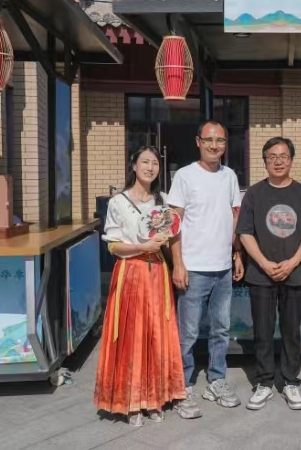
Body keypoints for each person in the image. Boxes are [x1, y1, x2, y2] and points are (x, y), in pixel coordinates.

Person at [94, 146, 185, 426]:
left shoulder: (164, 200)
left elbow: (173, 235)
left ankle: (155, 398)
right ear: (133, 165)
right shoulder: (118, 202)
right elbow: (113, 246)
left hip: (157, 272)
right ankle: (131, 402)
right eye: (144, 162)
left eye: (154, 163)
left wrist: (177, 264)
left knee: (157, 333)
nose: (150, 167)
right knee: (132, 334)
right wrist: (141, 247)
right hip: (131, 272)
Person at [237, 137, 301, 411]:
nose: (278, 161)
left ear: (291, 160)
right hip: (260, 273)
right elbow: (245, 232)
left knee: (291, 329)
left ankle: (290, 381)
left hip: (293, 272)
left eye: (283, 156)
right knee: (262, 330)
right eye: (272, 156)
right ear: (264, 161)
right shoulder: (254, 194)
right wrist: (263, 263)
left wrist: (292, 262)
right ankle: (264, 382)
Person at [168, 120, 244, 419]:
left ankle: (216, 379)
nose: (215, 146)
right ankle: (183, 385)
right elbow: (174, 223)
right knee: (187, 332)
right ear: (198, 141)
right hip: (194, 268)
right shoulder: (185, 176)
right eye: (209, 140)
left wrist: (236, 253)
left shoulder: (229, 176)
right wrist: (178, 263)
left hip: (223, 267)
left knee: (221, 329)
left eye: (220, 140)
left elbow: (234, 217)